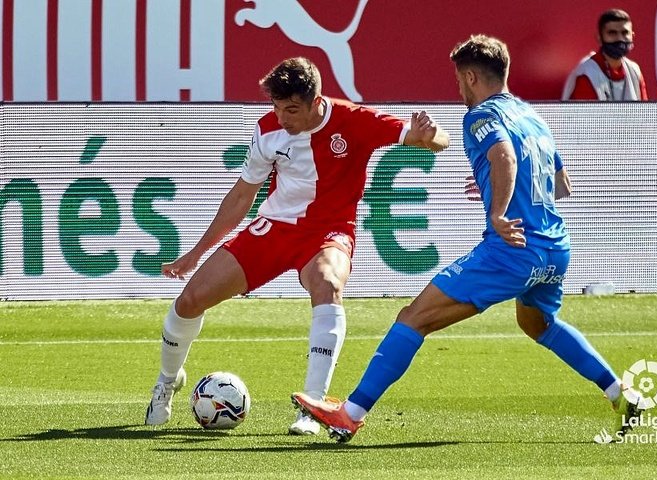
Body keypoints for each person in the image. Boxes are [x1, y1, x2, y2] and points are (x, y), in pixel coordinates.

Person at [292, 34, 645, 443]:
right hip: (554, 247)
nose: (459, 89)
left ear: (473, 76)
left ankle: (350, 413)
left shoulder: (480, 116)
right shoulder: (531, 116)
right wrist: (499, 187)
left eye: (460, 80)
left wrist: (498, 210)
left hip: (512, 250)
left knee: (413, 317)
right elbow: (560, 184)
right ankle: (620, 393)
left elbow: (505, 157)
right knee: (539, 324)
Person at [144, 57, 450, 435]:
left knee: (327, 284)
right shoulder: (268, 130)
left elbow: (436, 140)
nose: (282, 117)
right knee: (189, 302)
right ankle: (167, 381)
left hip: (330, 231)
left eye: (291, 109)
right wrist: (194, 253)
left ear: (315, 100)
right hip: (274, 228)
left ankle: (313, 406)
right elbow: (241, 196)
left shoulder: (354, 120)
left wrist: (430, 135)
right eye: (276, 107)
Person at [562, 8, 648, 101]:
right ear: (599, 38)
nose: (620, 39)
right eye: (612, 33)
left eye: (625, 33)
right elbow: (585, 115)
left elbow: (644, 113)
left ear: (632, 36)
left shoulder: (634, 71)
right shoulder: (587, 74)